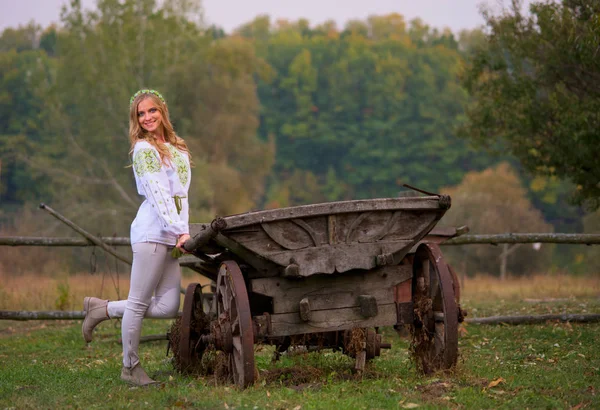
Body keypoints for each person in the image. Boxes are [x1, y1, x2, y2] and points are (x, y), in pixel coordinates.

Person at [81, 89, 192, 386]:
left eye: (151, 111)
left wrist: (183, 229)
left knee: (168, 306)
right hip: (152, 233)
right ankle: (130, 367)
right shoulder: (144, 150)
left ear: (162, 111)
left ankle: (102, 309)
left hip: (171, 235)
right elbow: (158, 194)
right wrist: (178, 229)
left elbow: (180, 195)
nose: (147, 118)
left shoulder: (177, 147)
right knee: (140, 303)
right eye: (140, 114)